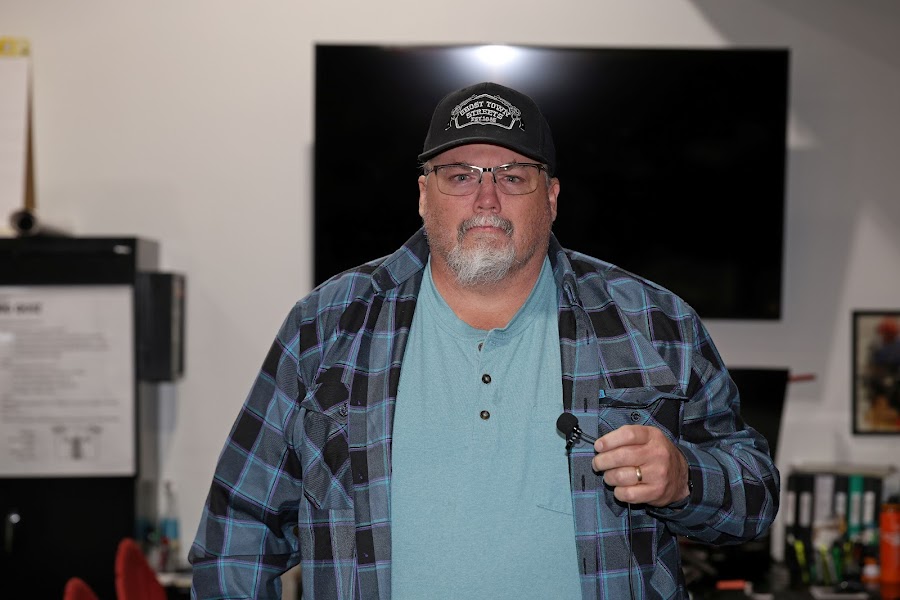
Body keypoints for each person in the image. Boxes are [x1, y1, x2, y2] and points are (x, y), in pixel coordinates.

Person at [189, 81, 780, 599]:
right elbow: (238, 532)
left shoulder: (654, 323)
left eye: (513, 177)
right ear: (424, 195)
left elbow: (754, 496)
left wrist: (685, 479)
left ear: (552, 198)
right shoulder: (326, 326)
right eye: (460, 176)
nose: (486, 199)